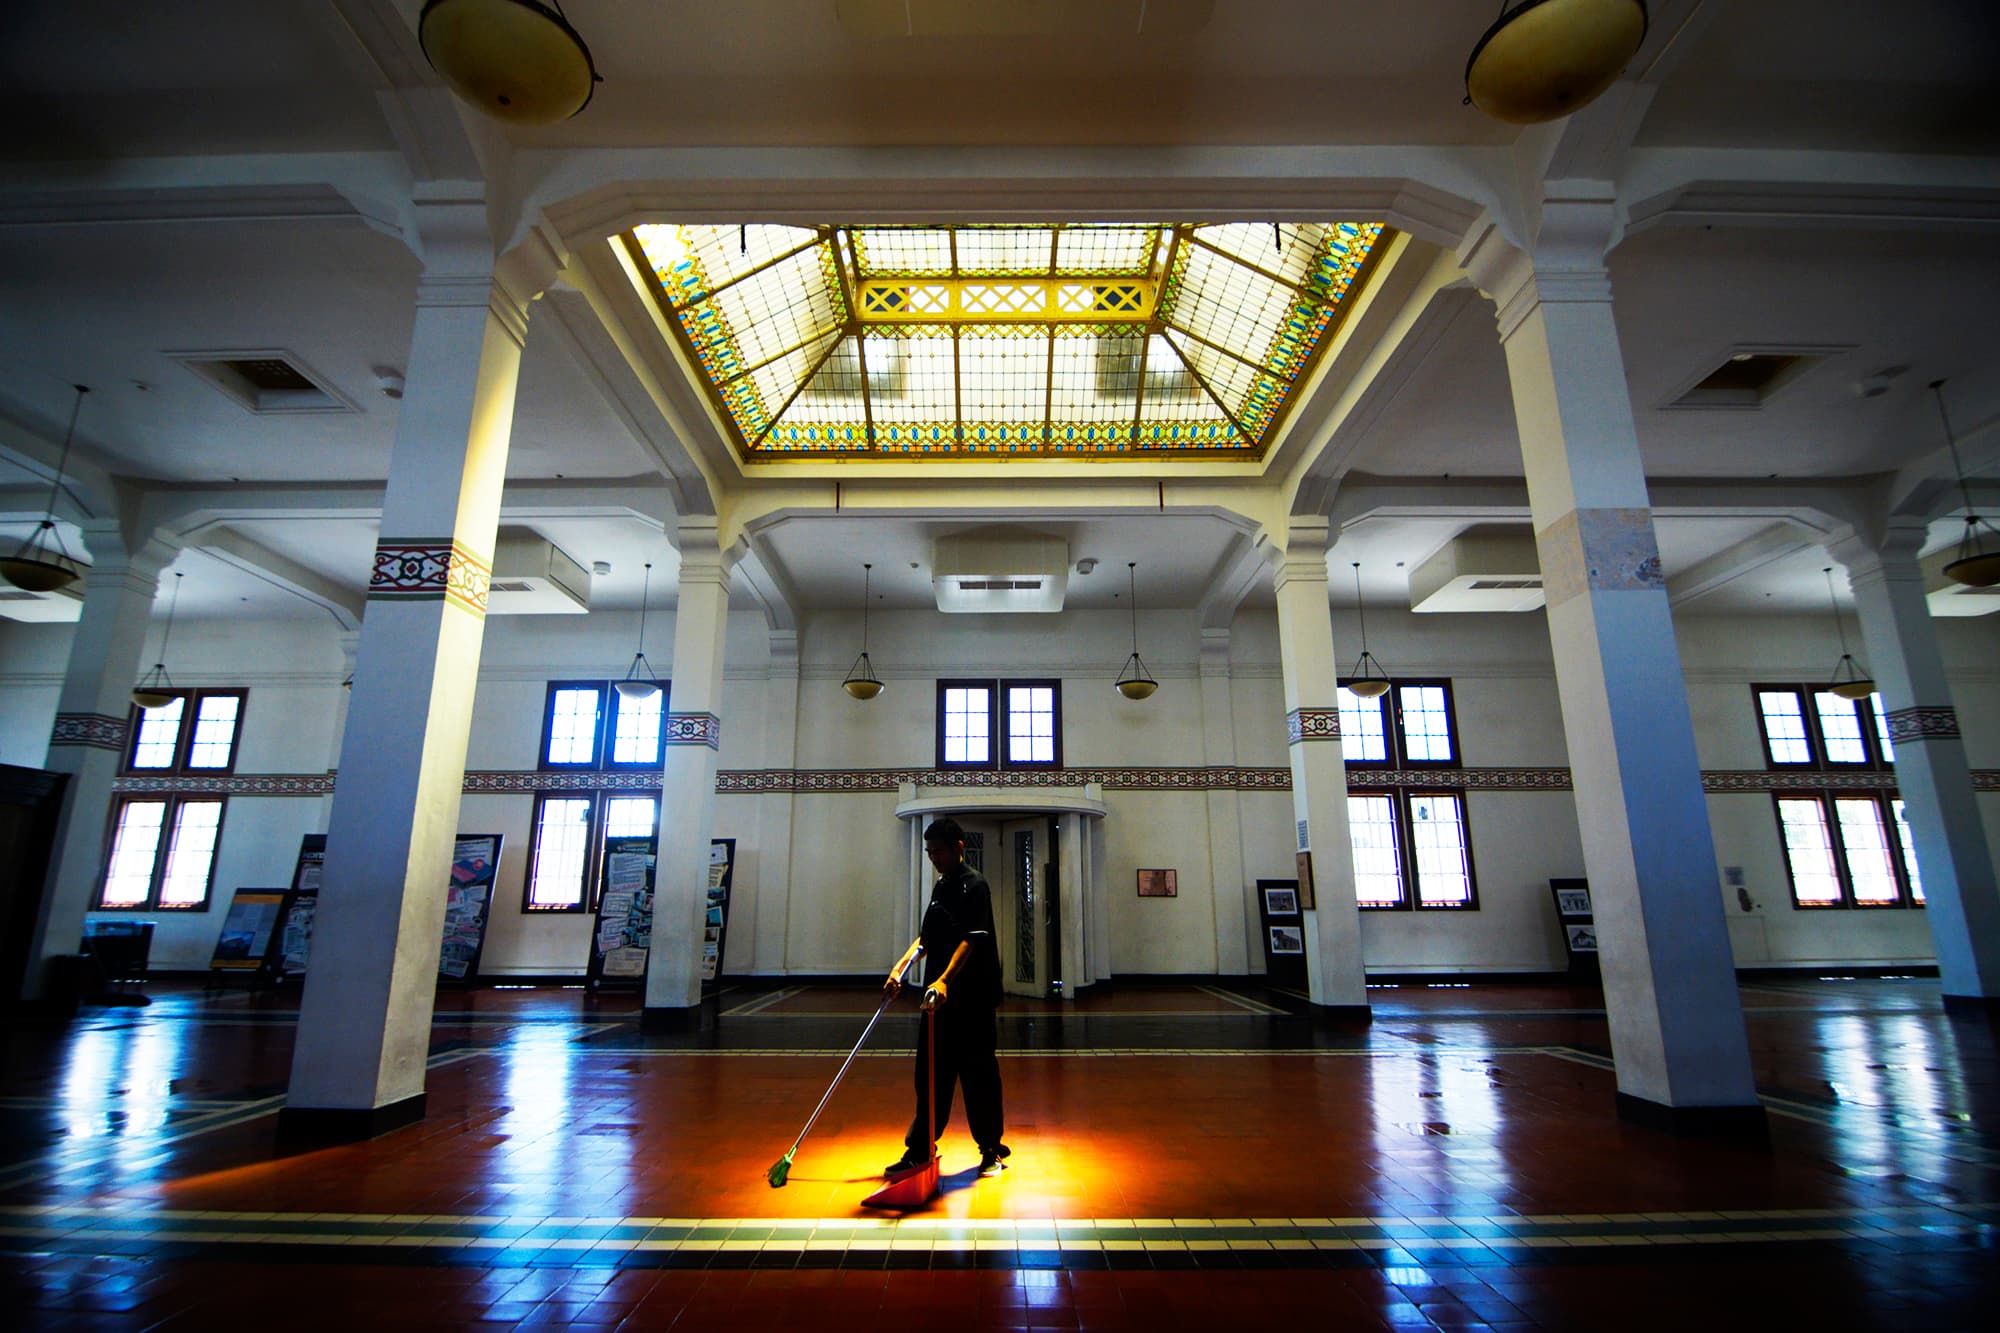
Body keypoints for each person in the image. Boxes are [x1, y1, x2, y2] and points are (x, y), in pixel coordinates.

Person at [883, 816, 1010, 1177]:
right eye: (929, 853)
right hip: (938, 1003)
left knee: (978, 1075)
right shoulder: (941, 888)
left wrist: (943, 981)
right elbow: (926, 939)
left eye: (939, 852)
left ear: (958, 848)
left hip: (973, 1000)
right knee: (930, 1075)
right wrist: (900, 968)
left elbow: (972, 939)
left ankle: (990, 1150)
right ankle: (920, 1149)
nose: (934, 859)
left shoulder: (976, 886)